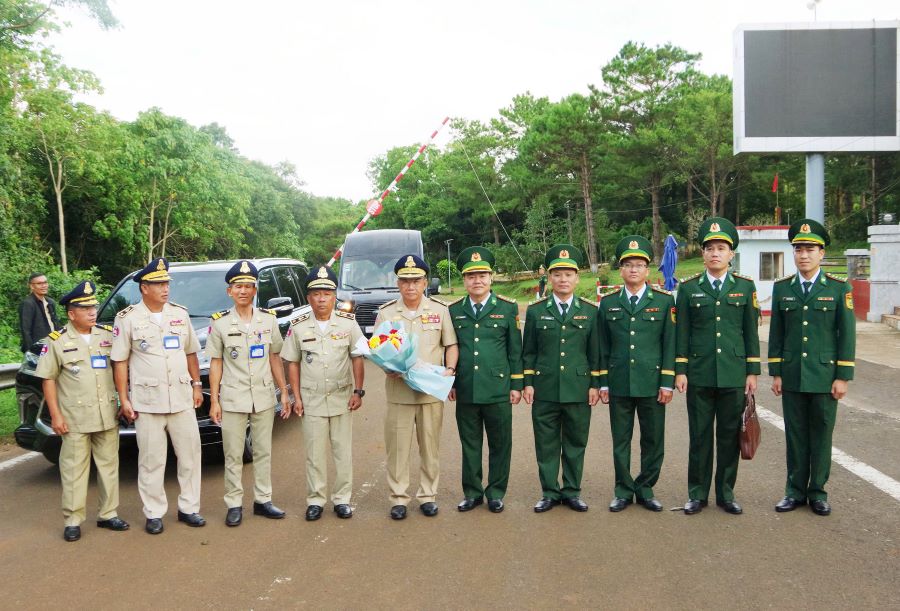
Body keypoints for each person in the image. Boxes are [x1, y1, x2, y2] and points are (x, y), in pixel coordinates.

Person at [111, 257, 206, 534]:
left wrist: (196, 386)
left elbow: (190, 352)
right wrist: (123, 398)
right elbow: (119, 360)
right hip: (147, 402)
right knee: (152, 460)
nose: (166, 288)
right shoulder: (127, 318)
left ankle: (189, 508)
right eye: (159, 284)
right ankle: (154, 512)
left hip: (181, 397)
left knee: (190, 456)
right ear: (144, 288)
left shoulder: (179, 314)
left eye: (166, 283)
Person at [769, 219, 855, 517]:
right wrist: (777, 372)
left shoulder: (838, 287)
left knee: (820, 435)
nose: (803, 255)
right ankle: (794, 491)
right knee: (795, 435)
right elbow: (777, 333)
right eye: (798, 249)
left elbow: (847, 334)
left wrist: (843, 376)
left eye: (810, 249)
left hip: (823, 376)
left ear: (821, 253)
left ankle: (817, 492)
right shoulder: (783, 289)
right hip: (792, 375)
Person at [674, 218, 760, 515]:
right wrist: (681, 370)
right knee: (699, 437)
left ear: (731, 254)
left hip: (733, 374)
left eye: (721, 248)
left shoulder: (745, 287)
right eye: (710, 248)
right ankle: (697, 494)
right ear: (703, 253)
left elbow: (750, 332)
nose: (715, 253)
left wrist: (752, 372)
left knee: (728, 436)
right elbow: (682, 332)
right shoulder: (687, 289)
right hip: (698, 373)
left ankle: (726, 492)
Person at [34, 280, 129, 542]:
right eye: (85, 308)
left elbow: (121, 369)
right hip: (75, 418)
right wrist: (55, 415)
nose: (92, 312)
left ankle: (108, 514)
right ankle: (73, 520)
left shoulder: (107, 336)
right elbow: (48, 379)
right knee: (74, 469)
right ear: (71, 313)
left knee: (109, 466)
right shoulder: (57, 341)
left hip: (106, 414)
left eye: (94, 306)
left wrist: (123, 401)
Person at [207, 260, 290, 527]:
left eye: (248, 286)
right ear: (229, 291)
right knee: (232, 454)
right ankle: (234, 503)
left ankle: (263, 500)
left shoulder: (268, 320)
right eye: (238, 286)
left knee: (263, 451)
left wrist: (284, 393)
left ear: (255, 290)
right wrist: (215, 400)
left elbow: (275, 356)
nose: (243, 290)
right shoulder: (219, 323)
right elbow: (216, 362)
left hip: (264, 396)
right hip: (233, 397)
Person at [374, 254, 458, 520]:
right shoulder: (386, 312)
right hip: (399, 393)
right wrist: (386, 366)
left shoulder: (439, 310)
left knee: (430, 447)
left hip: (429, 392)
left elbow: (451, 344)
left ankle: (427, 496)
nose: (410, 286)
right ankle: (398, 498)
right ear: (398, 283)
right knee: (398, 448)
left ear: (425, 283)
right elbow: (376, 347)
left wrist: (450, 369)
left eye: (416, 280)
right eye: (405, 281)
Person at [598, 236, 676, 513]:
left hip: (652, 383)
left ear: (648, 270)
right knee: (621, 440)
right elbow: (602, 347)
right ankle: (622, 490)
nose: (633, 269)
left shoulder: (665, 302)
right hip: (619, 382)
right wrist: (603, 383)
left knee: (653, 440)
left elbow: (670, 345)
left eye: (639, 265)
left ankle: (645, 487)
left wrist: (667, 382)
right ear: (621, 270)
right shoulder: (607, 305)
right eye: (628, 265)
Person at [282, 265, 365, 521]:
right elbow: (291, 362)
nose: (321, 298)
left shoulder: (349, 324)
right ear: (308, 297)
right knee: (314, 453)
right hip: (312, 398)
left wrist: (358, 391)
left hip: (341, 396)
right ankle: (315, 500)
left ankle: (341, 500)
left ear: (334, 295)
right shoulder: (298, 326)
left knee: (342, 452)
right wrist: (296, 396)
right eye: (316, 293)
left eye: (326, 293)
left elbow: (358, 357)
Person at [522, 244, 601, 513]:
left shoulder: (591, 311)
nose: (563, 279)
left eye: (568, 274)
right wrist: (528, 382)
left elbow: (595, 353)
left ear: (578, 278)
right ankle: (549, 492)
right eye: (557, 274)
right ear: (549, 278)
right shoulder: (535, 311)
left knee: (576, 442)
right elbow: (529, 351)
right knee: (546, 443)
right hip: (544, 387)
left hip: (578, 388)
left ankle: (572, 491)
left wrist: (594, 384)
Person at [448, 247, 523, 514]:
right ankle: (472, 492)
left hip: (498, 389)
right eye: (471, 276)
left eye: (482, 275)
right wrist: (451, 383)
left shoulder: (507, 307)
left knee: (500, 444)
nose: (477, 281)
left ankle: (496, 493)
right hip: (467, 388)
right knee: (470, 445)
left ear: (491, 277)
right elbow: (450, 347)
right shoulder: (453, 310)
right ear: (464, 280)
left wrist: (516, 385)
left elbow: (515, 351)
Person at [19, 272, 60, 352]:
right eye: (39, 283)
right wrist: (30, 351)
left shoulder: (50, 302)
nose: (44, 286)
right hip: (38, 348)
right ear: (32, 286)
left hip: (53, 345)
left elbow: (56, 325)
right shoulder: (28, 303)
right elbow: (26, 330)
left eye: (45, 282)